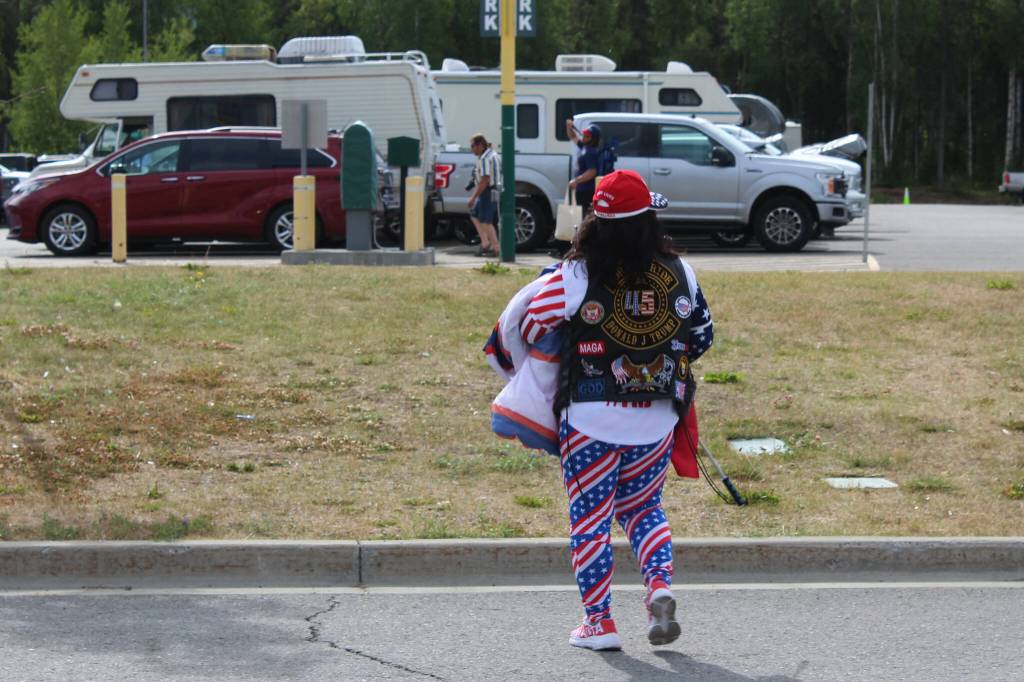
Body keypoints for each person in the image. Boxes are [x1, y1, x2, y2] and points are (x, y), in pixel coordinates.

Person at [491, 169, 714, 651]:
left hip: (589, 418)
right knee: (645, 509)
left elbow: (527, 325)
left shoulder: (573, 275)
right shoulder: (681, 271)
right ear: (649, 220)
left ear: (597, 222)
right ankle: (659, 586)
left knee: (589, 520)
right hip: (655, 417)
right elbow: (701, 337)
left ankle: (599, 623)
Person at [467, 133, 501, 257]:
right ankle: (485, 243)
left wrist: (474, 197)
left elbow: (485, 179)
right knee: (474, 214)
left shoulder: (485, 158)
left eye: (472, 146)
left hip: (488, 191)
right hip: (490, 190)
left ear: (480, 145)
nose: (471, 149)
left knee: (486, 221)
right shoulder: (492, 154)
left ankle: (496, 248)